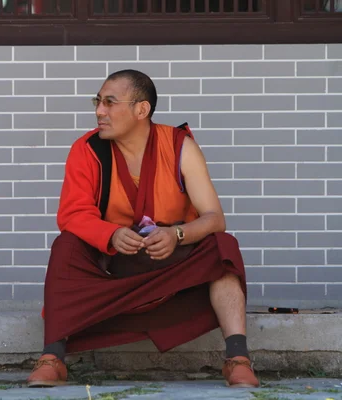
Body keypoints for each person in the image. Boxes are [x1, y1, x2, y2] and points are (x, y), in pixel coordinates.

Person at [26, 70, 259, 389]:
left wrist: (178, 235)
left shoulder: (179, 146)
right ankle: (52, 357)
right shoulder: (88, 149)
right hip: (113, 264)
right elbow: (73, 213)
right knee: (66, 246)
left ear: (141, 109)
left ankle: (237, 359)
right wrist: (109, 234)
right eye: (97, 102)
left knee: (223, 246)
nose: (99, 111)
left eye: (109, 102)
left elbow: (214, 217)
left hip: (170, 258)